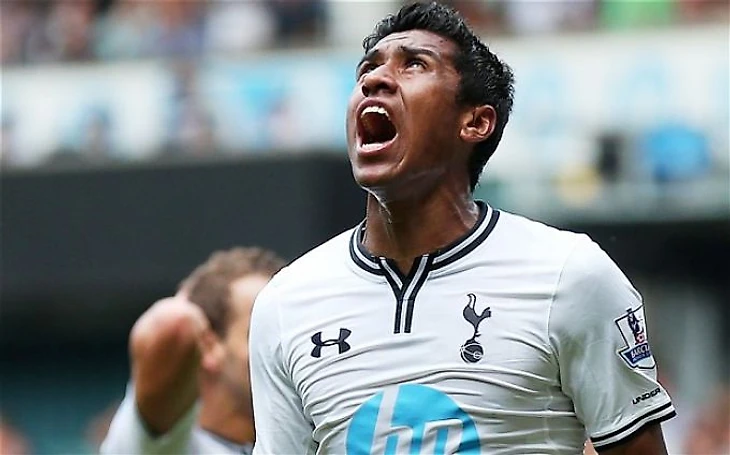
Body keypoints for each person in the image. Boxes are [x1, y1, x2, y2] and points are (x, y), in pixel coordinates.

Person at [248, 2, 676, 454]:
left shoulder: (569, 275)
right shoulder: (287, 303)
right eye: (367, 70)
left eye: (414, 64)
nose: (375, 80)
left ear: (475, 122)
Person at [102, 247, 286, 454]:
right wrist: (189, 296)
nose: (288, 352)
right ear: (208, 344)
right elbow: (175, 323)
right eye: (265, 334)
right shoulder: (158, 447)